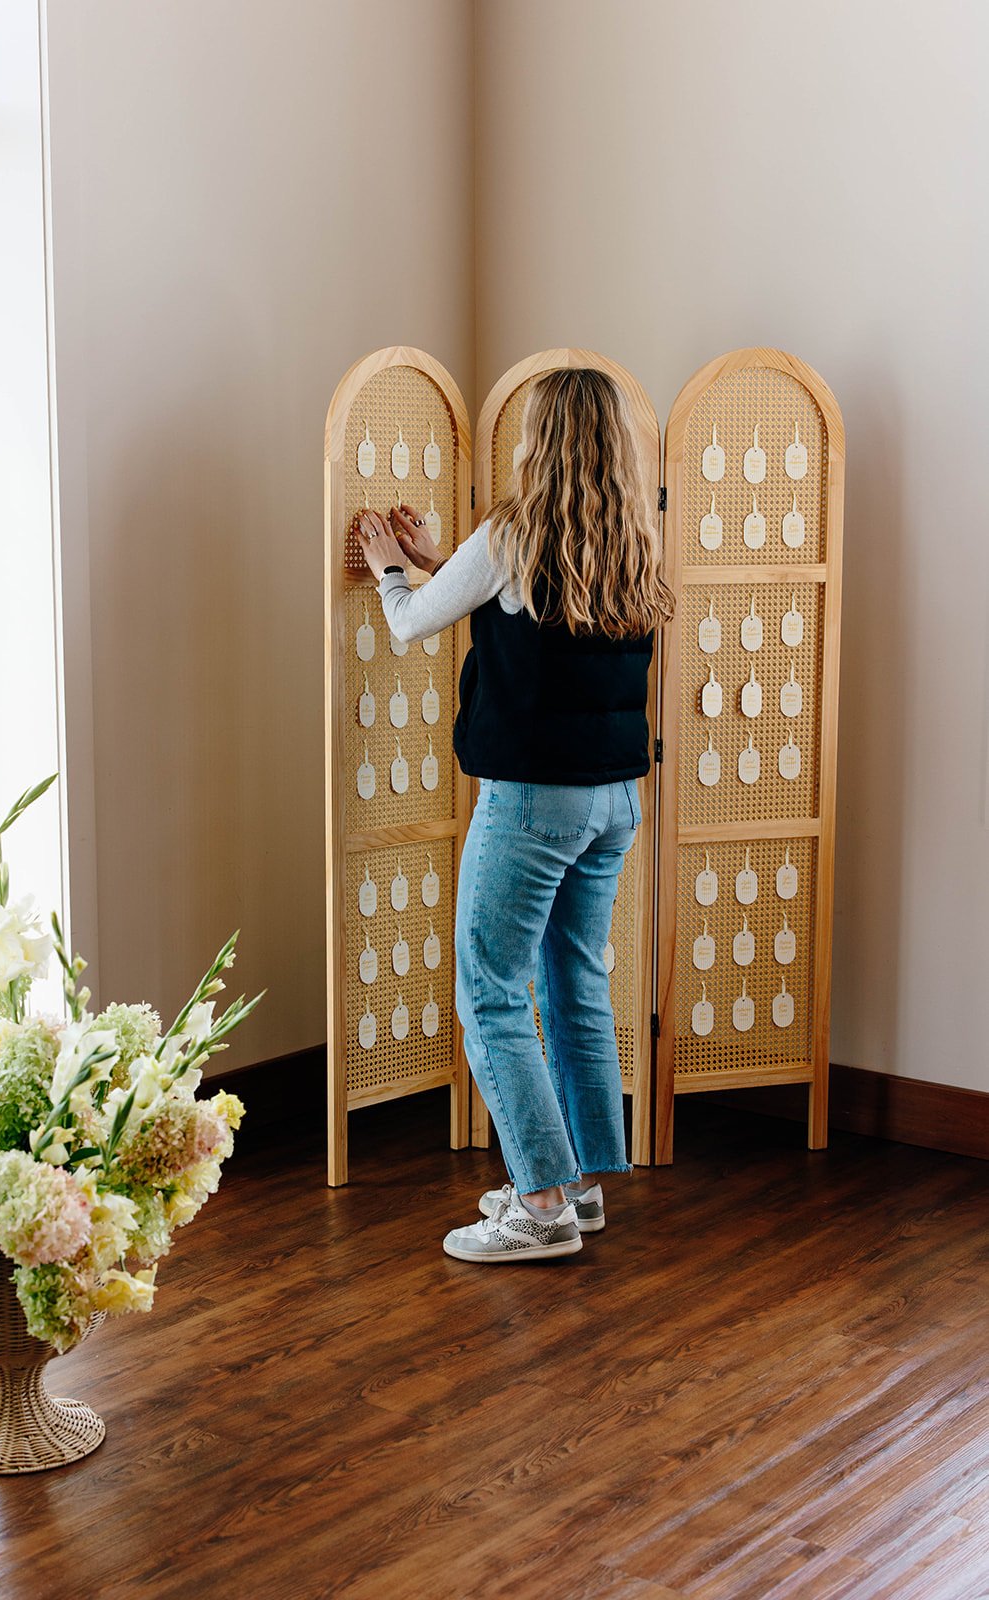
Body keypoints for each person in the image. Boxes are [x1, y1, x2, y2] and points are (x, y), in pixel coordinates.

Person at [356, 367, 675, 1264]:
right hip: (614, 799)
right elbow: (519, 605)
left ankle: (536, 1207)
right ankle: (576, 1185)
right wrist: (437, 557)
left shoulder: (510, 533)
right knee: (574, 986)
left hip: (532, 800)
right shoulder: (631, 538)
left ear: (538, 438)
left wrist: (392, 570)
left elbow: (417, 621)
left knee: (489, 993)